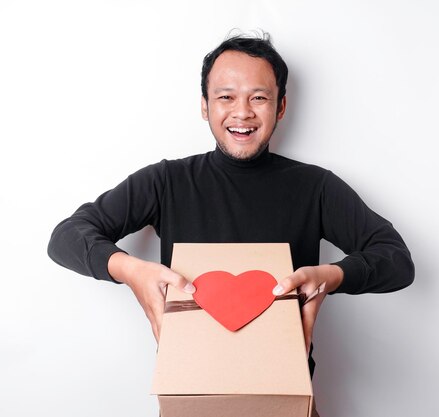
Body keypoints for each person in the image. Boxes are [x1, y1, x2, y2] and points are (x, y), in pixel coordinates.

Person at [47, 32, 414, 416]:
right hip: (189, 396)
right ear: (205, 106)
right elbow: (66, 236)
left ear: (281, 106)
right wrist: (132, 271)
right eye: (226, 97)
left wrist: (330, 276)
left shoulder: (315, 187)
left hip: (286, 399)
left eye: (259, 97)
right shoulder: (167, 181)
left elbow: (396, 260)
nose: (242, 112)